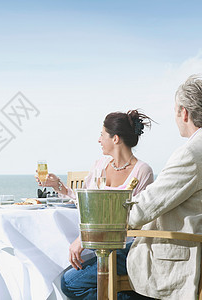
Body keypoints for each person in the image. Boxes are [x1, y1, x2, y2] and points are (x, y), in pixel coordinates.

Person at [61, 75, 202, 299]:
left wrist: (90, 234)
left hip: (173, 251)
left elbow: (142, 209)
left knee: (69, 282)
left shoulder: (191, 153)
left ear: (184, 113)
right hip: (191, 245)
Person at [39, 109, 155, 299]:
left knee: (69, 283)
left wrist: (84, 238)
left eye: (102, 134)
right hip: (100, 247)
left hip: (126, 249)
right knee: (62, 271)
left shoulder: (142, 171)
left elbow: (134, 217)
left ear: (115, 138)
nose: (99, 139)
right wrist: (58, 186)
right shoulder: (100, 165)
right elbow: (88, 202)